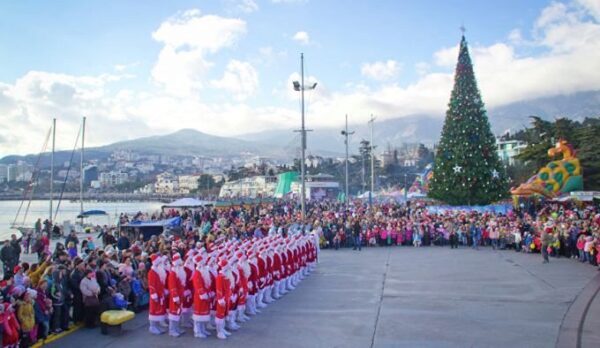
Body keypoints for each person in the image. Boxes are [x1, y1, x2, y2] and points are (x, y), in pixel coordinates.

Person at [148, 254, 167, 335]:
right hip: (155, 296)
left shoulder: (159, 271)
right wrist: (154, 295)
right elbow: (151, 285)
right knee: (154, 311)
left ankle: (157, 326)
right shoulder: (152, 272)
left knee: (159, 310)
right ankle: (152, 327)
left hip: (160, 294)